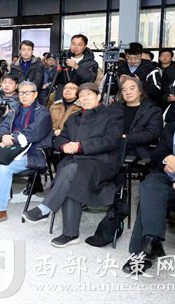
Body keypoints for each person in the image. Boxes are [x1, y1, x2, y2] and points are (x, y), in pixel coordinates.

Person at [23, 82, 123, 248]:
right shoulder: (74, 118)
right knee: (71, 174)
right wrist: (64, 146)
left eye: (89, 95)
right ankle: (70, 234)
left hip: (102, 163)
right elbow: (60, 139)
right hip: (75, 162)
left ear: (98, 96)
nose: (85, 98)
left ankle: (46, 209)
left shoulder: (111, 115)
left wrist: (80, 147)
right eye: (81, 96)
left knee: (71, 171)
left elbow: (110, 141)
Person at [0, 81, 52, 224]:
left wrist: (12, 139)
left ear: (35, 94)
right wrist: (4, 136)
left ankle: (0, 210)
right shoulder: (15, 109)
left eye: (27, 92)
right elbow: (3, 126)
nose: (23, 96)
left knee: (3, 169)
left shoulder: (43, 112)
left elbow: (33, 133)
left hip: (32, 152)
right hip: (10, 149)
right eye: (21, 92)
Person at [122, 101, 175, 275]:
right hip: (173, 182)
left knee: (150, 199)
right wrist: (167, 160)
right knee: (150, 185)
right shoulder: (173, 127)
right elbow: (157, 154)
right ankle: (150, 243)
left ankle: (144, 251)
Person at [115, 75, 162, 160]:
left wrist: (125, 137)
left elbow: (151, 134)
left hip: (138, 151)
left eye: (132, 88)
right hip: (113, 148)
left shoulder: (153, 111)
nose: (128, 92)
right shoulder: (114, 109)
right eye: (124, 90)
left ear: (140, 91)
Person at [54, 34, 99, 100]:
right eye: (73, 44)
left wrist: (77, 67)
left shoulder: (91, 63)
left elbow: (90, 79)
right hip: (62, 93)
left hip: (80, 94)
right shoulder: (63, 58)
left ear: (84, 47)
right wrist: (58, 69)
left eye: (79, 45)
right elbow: (54, 79)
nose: (75, 47)